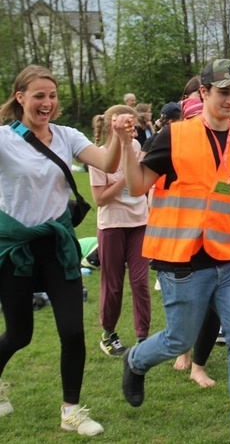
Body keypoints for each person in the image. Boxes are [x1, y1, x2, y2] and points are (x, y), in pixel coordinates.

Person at [115, 59, 230, 443]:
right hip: (182, 259)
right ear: (203, 93)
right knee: (179, 340)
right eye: (223, 92)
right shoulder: (174, 136)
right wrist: (126, 145)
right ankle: (135, 360)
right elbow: (138, 186)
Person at [0, 65, 130, 435]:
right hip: (16, 250)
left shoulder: (67, 136)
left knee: (73, 331)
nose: (47, 103)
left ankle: (71, 410)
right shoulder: (4, 140)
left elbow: (107, 163)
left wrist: (119, 136)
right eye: (39, 96)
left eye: (52, 96)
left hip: (57, 247)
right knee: (20, 334)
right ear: (20, 97)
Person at [89, 106, 151, 356]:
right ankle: (109, 334)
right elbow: (100, 199)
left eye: (135, 126)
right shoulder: (98, 156)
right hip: (112, 225)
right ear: (114, 126)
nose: (134, 131)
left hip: (139, 222)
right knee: (113, 284)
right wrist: (126, 177)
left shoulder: (136, 149)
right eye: (130, 126)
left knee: (140, 281)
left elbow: (141, 187)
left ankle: (142, 337)